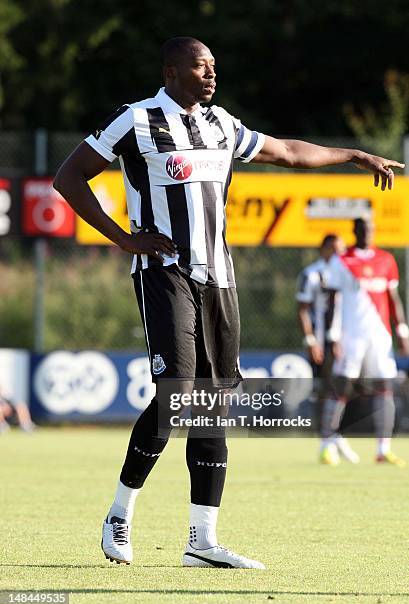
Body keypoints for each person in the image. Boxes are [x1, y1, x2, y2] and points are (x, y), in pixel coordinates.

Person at [53, 36, 404, 569]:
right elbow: (68, 177)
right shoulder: (136, 120)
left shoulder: (221, 124)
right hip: (165, 272)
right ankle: (120, 514)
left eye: (214, 65)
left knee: (212, 404)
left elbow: (287, 152)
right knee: (177, 395)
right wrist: (124, 238)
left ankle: (202, 540)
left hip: (220, 280)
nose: (212, 74)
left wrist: (353, 154)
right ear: (171, 72)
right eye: (201, 66)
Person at [320, 216, 409, 466]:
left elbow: (393, 298)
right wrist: (333, 336)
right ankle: (326, 444)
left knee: (385, 387)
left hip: (380, 337)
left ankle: (383, 449)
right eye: (362, 229)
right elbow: (332, 300)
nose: (366, 233)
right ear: (355, 231)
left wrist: (402, 331)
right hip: (351, 336)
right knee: (342, 387)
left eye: (370, 229)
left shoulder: (386, 260)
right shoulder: (342, 261)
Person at [295, 234, 360, 464]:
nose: (338, 254)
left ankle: (335, 435)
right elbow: (302, 309)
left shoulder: (350, 273)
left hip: (348, 341)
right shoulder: (312, 274)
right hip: (323, 342)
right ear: (323, 250)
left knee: (344, 389)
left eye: (342, 249)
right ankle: (328, 442)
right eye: (333, 249)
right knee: (325, 390)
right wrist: (311, 340)